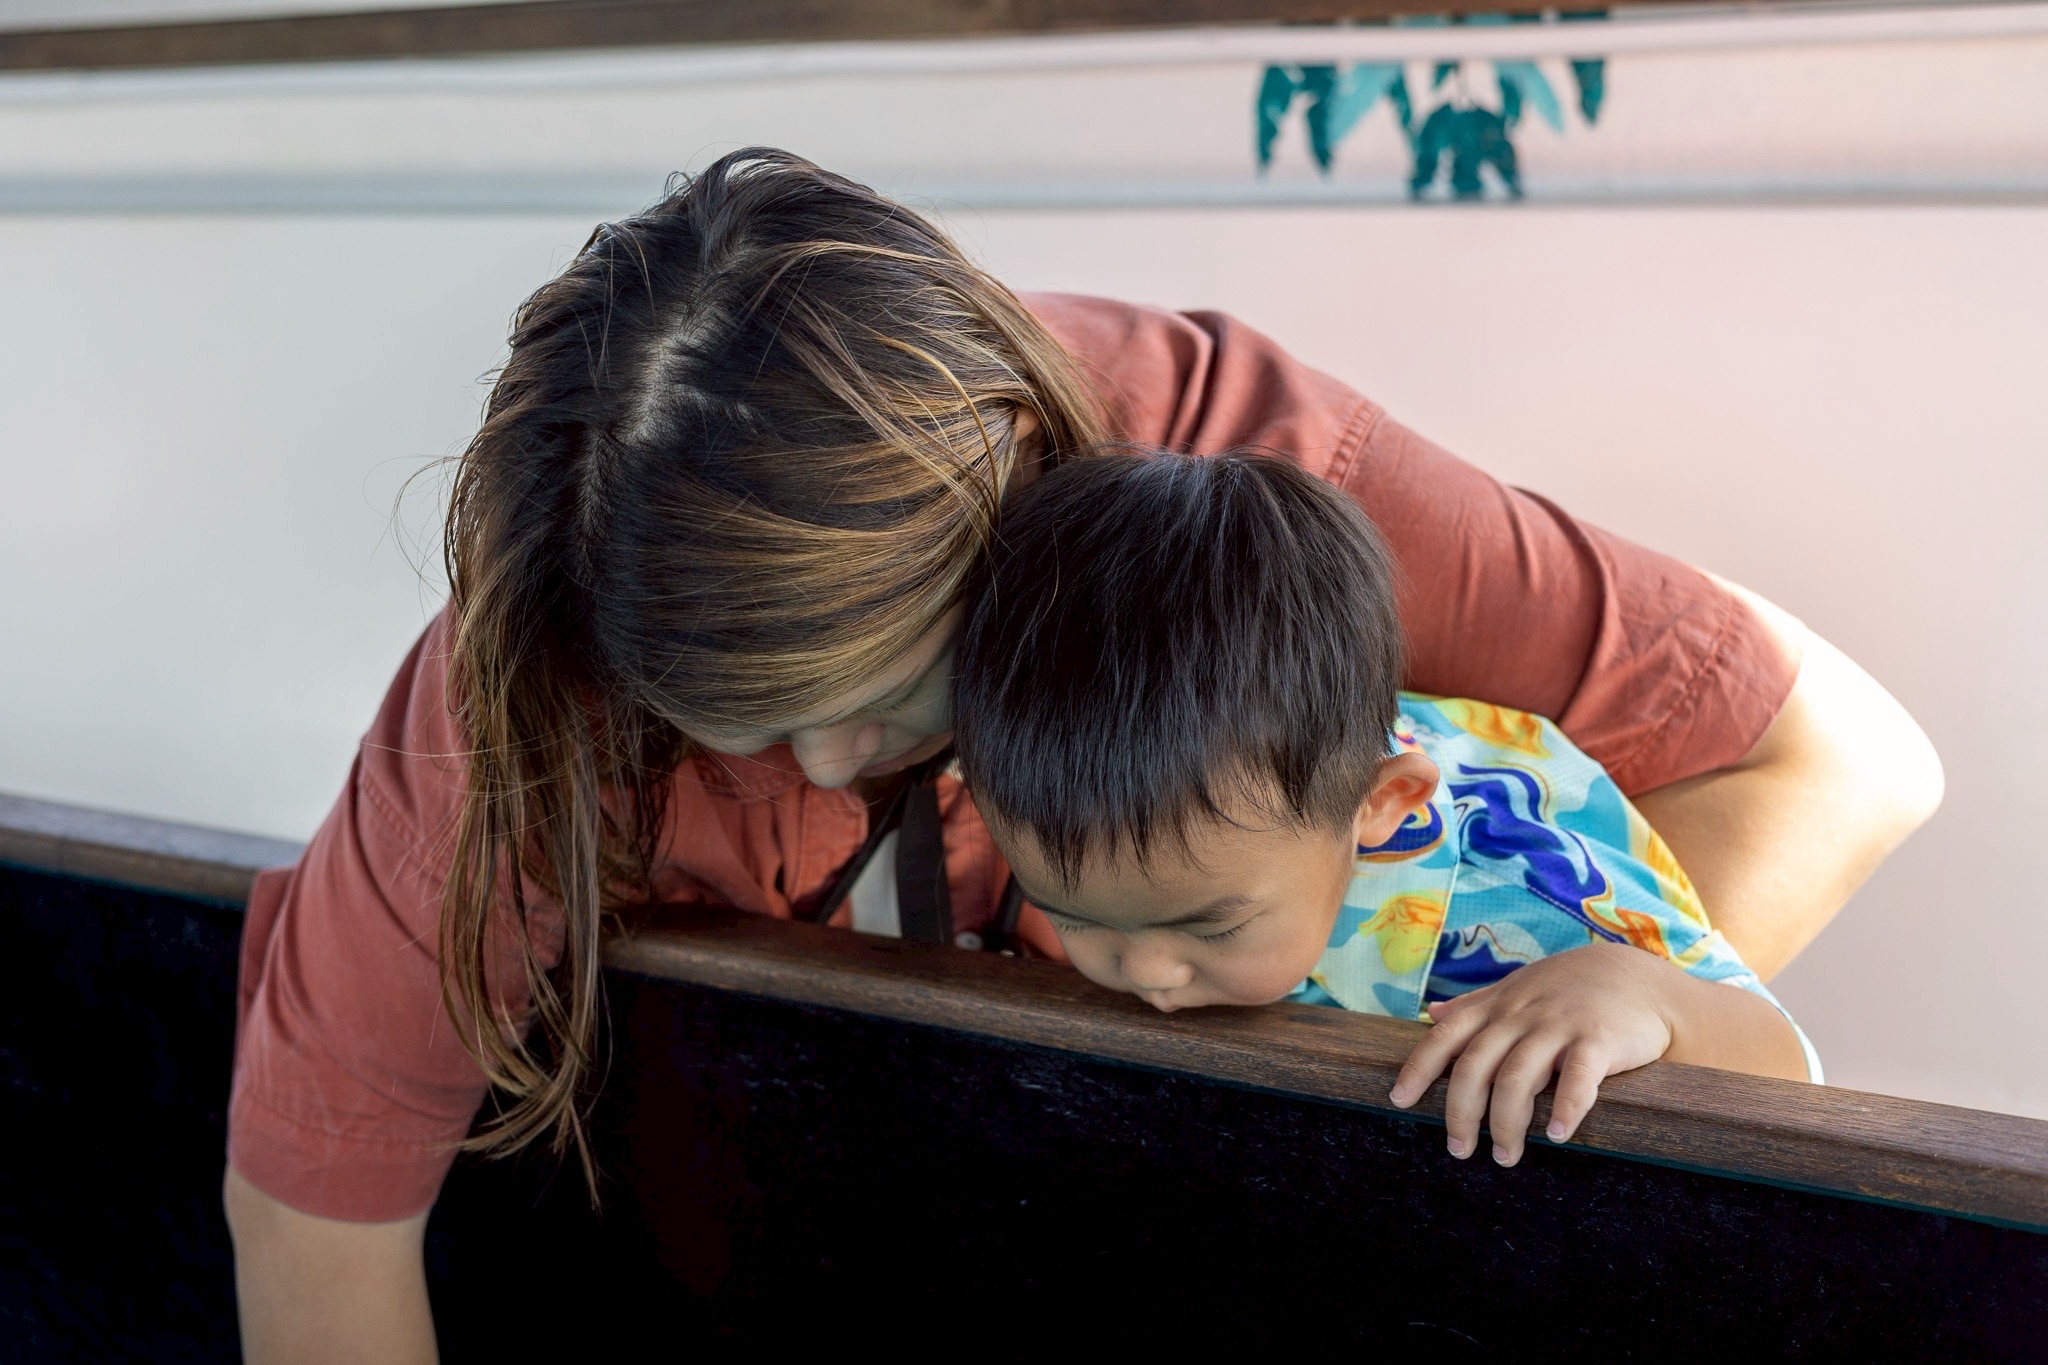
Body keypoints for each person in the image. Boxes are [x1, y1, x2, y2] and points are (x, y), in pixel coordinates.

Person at [223, 148, 1941, 1363]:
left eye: (896, 697)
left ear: (1026, 497)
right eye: (740, 733)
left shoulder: (1228, 489)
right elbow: (317, 1208)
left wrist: (1477, 1129)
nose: (828, 764)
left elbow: (1832, 765)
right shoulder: (540, 663)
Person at [950, 448, 1823, 1171]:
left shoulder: (1528, 912)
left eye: (1210, 929)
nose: (1145, 971)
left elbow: (1798, 1080)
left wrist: (1646, 995)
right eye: (1073, 917)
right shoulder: (1094, 789)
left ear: (1381, 806)